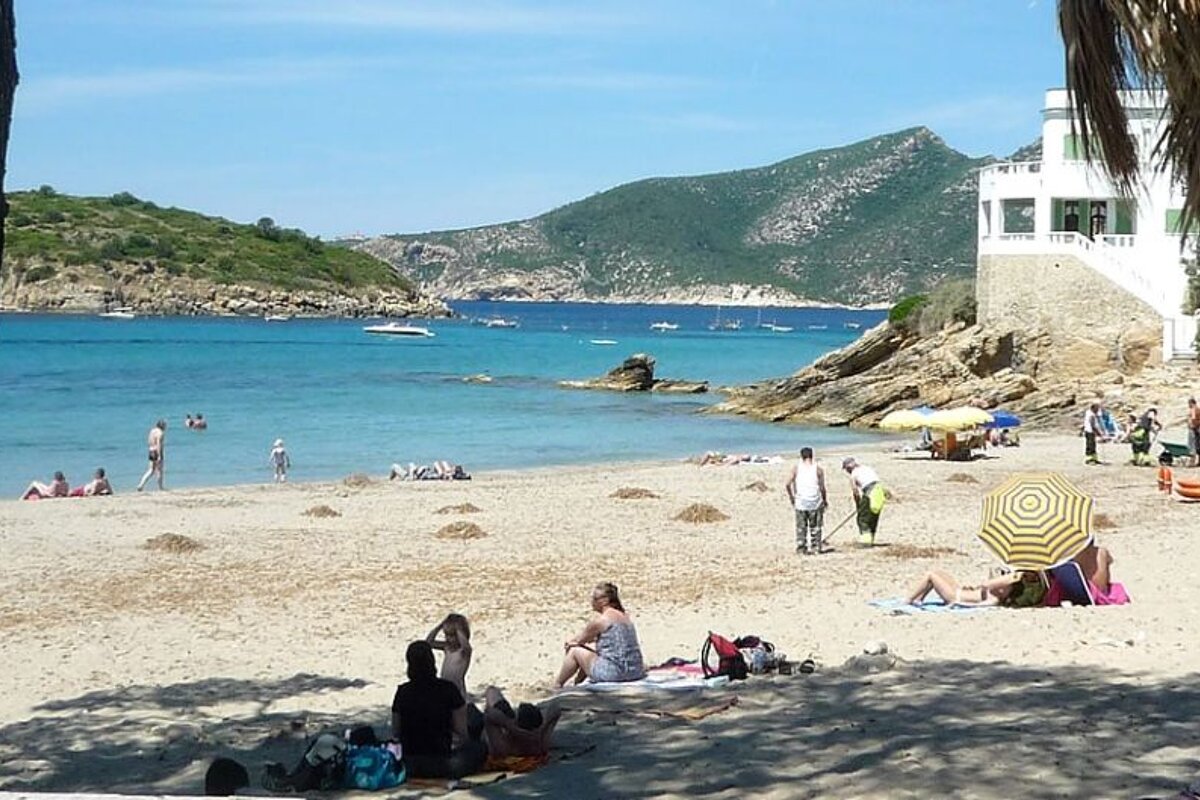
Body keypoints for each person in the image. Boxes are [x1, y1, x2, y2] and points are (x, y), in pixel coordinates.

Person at [391, 640, 486, 779]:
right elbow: (462, 732)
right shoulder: (447, 689)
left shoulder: (403, 692)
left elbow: (396, 731)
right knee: (479, 748)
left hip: (410, 764)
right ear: (432, 661)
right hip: (443, 763)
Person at [554, 582, 646, 688]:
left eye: (594, 598)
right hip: (635, 671)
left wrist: (569, 643)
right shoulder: (625, 617)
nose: (592, 602)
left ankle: (558, 684)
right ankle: (578, 683)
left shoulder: (601, 621)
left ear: (605, 601)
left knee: (575, 650)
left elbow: (579, 640)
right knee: (592, 655)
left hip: (614, 674)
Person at [482, 686, 562, 758]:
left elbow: (488, 714)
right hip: (519, 730)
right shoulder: (540, 743)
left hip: (505, 732)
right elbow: (555, 708)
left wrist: (510, 726)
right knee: (492, 693)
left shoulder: (505, 748)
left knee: (491, 691)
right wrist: (542, 727)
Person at [907, 568, 1045, 607]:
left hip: (955, 596)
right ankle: (918, 599)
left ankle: (908, 600)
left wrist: (956, 604)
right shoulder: (998, 592)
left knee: (931, 575)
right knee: (938, 572)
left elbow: (986, 586)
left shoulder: (995, 598)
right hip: (959, 589)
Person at [786, 447, 827, 555]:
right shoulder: (818, 469)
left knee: (801, 527)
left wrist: (791, 497)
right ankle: (816, 547)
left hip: (801, 502)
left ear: (801, 456)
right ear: (812, 456)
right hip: (815, 501)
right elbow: (822, 487)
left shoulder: (796, 469)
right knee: (816, 527)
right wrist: (825, 499)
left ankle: (801, 547)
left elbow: (787, 484)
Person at [426, 613, 473, 700]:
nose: (448, 638)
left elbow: (466, 646)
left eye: (452, 635)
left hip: (457, 689)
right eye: (446, 635)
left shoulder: (464, 652)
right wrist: (440, 626)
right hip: (444, 687)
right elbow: (428, 642)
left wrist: (458, 630)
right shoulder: (446, 647)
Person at [841, 457, 884, 546]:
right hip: (880, 492)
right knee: (873, 517)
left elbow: (855, 492)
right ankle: (871, 538)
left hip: (870, 493)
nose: (847, 472)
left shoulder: (854, 474)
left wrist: (858, 505)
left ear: (849, 468)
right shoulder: (867, 468)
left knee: (862, 519)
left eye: (846, 469)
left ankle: (865, 542)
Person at [137, 419, 167, 491]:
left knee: (151, 470)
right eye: (165, 425)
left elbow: (149, 441)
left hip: (151, 451)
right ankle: (160, 487)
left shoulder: (152, 431)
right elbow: (158, 444)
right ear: (162, 425)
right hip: (157, 451)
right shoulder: (160, 433)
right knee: (159, 470)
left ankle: (141, 485)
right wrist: (160, 455)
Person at [1188, 397, 1200, 463]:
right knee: (1197, 445)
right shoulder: (1197, 409)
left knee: (1192, 445)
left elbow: (1193, 419)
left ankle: (1192, 462)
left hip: (1194, 429)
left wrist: (1192, 426)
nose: (1188, 406)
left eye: (1189, 404)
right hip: (1196, 429)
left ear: (1191, 403)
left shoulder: (1194, 409)